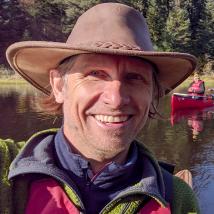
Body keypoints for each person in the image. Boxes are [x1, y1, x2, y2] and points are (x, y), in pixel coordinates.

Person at [1, 3, 200, 214]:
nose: (115, 99)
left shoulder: (177, 199)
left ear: (152, 94)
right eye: (95, 74)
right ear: (59, 85)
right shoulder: (6, 166)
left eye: (134, 77)